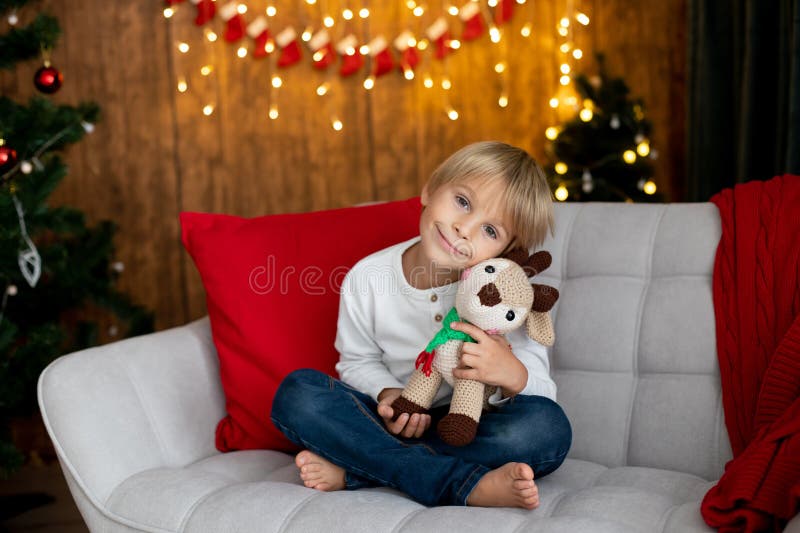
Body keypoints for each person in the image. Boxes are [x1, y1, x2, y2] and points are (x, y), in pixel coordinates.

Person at [270, 141, 572, 509]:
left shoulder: (506, 298)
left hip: (464, 426)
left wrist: (512, 374)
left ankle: (359, 470)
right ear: (430, 189)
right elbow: (356, 361)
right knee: (298, 393)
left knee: (547, 428)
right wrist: (386, 394)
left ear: (507, 252)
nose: (464, 229)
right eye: (463, 202)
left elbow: (543, 395)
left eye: (490, 231)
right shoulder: (367, 277)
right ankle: (461, 484)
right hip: (387, 420)